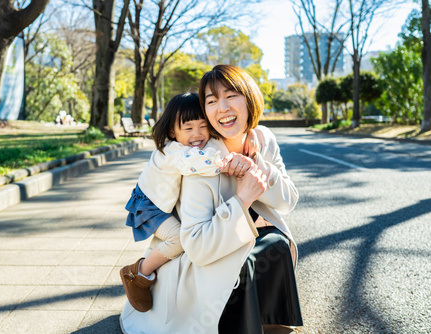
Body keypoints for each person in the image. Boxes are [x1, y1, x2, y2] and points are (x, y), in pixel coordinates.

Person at [120, 65, 302, 334]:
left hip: (230, 236)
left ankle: (269, 320)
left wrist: (256, 166)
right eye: (212, 100)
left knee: (276, 242)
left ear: (249, 99)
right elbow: (197, 246)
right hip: (194, 250)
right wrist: (241, 198)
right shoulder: (200, 159)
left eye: (231, 96)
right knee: (238, 262)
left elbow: (287, 201)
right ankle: (141, 274)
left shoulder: (262, 140)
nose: (223, 107)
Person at [120, 92, 255, 313]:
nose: (197, 134)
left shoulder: (186, 145)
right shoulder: (172, 151)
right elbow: (194, 163)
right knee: (180, 240)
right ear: (173, 131)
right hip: (149, 206)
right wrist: (226, 163)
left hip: (160, 202)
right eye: (188, 128)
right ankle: (138, 273)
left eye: (203, 126)